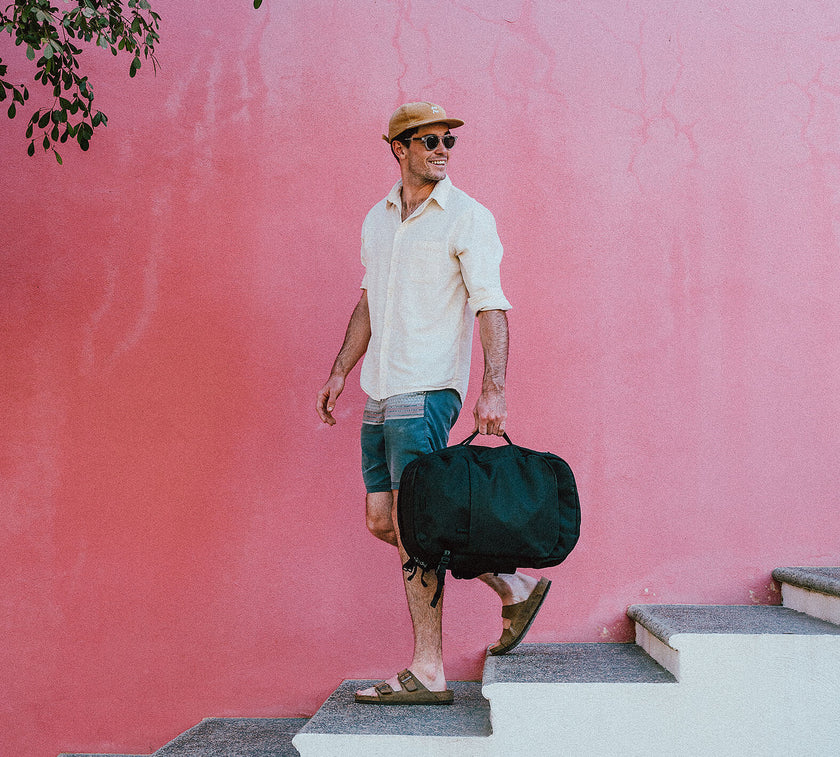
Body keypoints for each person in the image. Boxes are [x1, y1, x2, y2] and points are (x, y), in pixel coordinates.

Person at [316, 102, 551, 705]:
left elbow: (491, 305)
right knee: (383, 521)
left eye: (449, 140)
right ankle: (514, 585)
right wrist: (341, 370)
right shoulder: (378, 219)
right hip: (379, 388)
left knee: (417, 526)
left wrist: (492, 388)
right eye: (429, 141)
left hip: (425, 392)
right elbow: (369, 300)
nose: (443, 149)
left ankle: (428, 670)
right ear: (399, 149)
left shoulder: (467, 217)